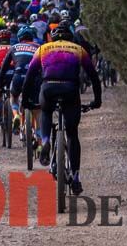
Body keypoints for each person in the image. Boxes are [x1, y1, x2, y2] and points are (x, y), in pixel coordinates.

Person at [21, 22, 102, 194]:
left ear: (53, 36)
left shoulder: (43, 49)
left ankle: (46, 142)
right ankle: (76, 178)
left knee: (46, 111)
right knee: (72, 134)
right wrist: (97, 101)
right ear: (70, 37)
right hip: (70, 90)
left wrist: (25, 101)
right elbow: (93, 77)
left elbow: (29, 78)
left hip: (48, 88)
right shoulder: (78, 49)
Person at [0, 24, 38, 133]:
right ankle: (37, 135)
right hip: (33, 79)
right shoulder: (38, 47)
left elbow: (3, 68)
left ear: (19, 38)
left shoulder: (14, 47)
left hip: (18, 77)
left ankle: (16, 115)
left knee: (14, 97)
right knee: (35, 106)